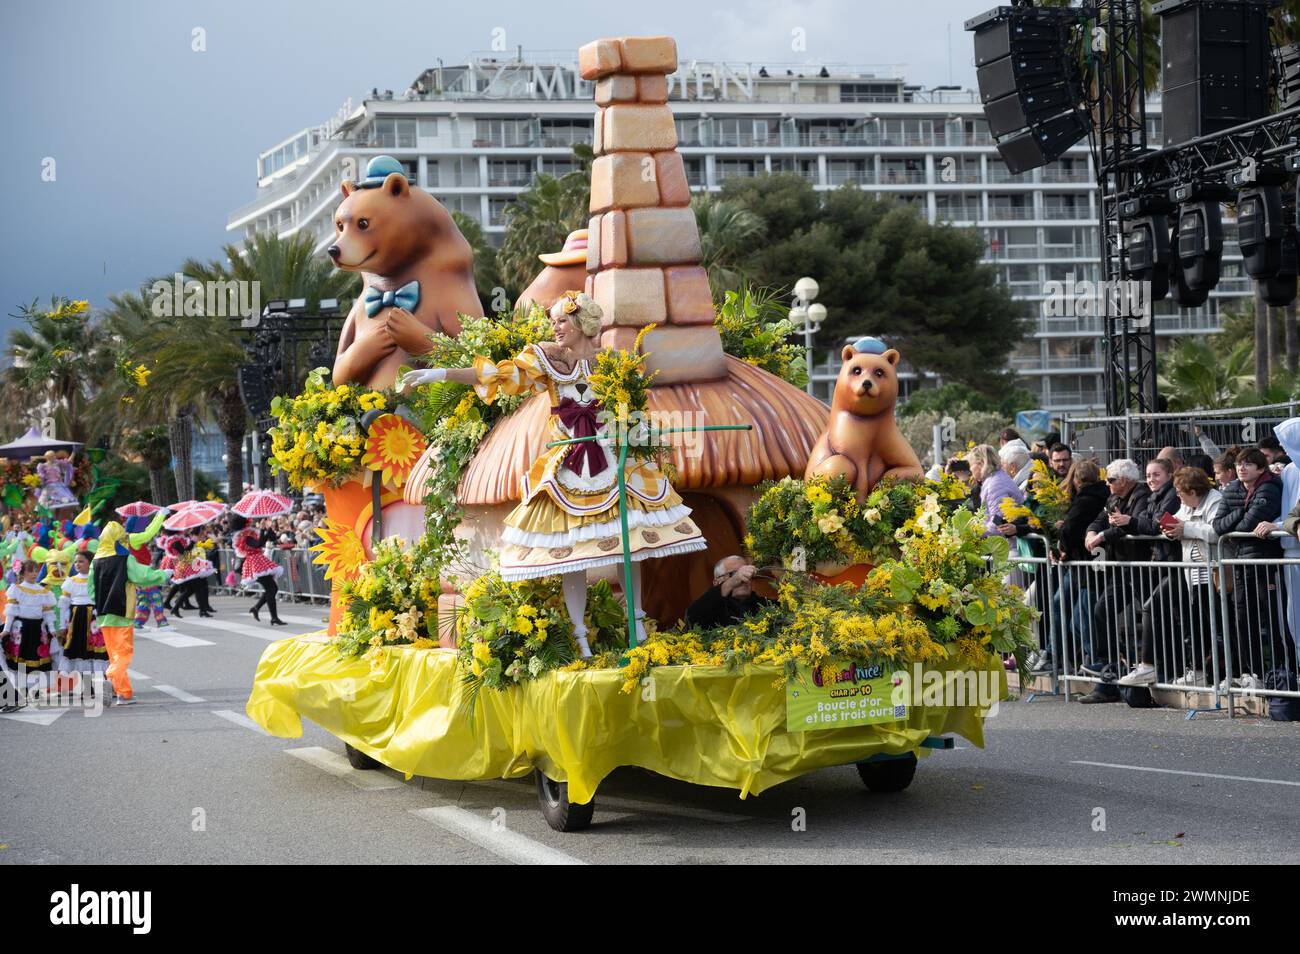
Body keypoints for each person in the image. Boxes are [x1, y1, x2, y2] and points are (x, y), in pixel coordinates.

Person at [399, 290, 707, 657]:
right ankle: (580, 639)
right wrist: (438, 373)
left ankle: (637, 626)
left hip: (611, 459)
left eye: (562, 320)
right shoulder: (545, 358)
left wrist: (635, 432)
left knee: (631, 542)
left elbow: (630, 408)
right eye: (553, 321)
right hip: (567, 467)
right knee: (568, 552)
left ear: (581, 323)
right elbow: (498, 376)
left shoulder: (611, 363)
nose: (555, 327)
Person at [1120, 468, 1222, 687]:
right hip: (1188, 569)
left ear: (1193, 491)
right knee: (1188, 620)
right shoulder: (1186, 503)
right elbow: (1178, 521)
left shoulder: (1215, 500)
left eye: (1181, 492)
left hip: (1212, 570)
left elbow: (1215, 531)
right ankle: (1192, 670)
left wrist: (1185, 528)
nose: (1178, 497)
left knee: (1212, 623)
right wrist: (1171, 529)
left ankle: (1223, 673)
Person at [89, 513, 170, 706]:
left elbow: (91, 591)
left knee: (114, 655)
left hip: (103, 615)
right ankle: (110, 676)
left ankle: (123, 693)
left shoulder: (95, 562)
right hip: (122, 613)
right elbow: (143, 576)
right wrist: (163, 574)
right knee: (123, 653)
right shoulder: (125, 560)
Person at [1083, 458, 1151, 669]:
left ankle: (1160, 663)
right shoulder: (1113, 498)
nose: (1107, 483)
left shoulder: (1142, 496)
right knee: (1102, 609)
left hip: (1143, 566)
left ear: (1124, 480)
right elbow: (1100, 518)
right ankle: (1109, 661)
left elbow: (1131, 524)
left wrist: (1102, 536)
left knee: (1154, 613)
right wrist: (1092, 532)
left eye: (1111, 479)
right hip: (1122, 566)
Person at [1049, 459, 1109, 692]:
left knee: (1083, 617)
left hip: (1087, 567)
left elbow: (1069, 529)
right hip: (1087, 565)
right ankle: (1073, 657)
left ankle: (1100, 666)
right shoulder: (1098, 496)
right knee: (1075, 615)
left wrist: (1062, 548)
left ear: (1076, 479)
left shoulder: (1086, 499)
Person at [3, 559, 56, 696]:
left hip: (38, 628)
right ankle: (22, 688)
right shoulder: (16, 589)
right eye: (30, 570)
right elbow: (11, 611)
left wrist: (52, 629)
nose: (34, 574)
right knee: (21, 657)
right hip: (21, 628)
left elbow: (47, 612)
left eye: (36, 570)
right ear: (22, 572)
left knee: (36, 657)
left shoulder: (43, 591)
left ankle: (35, 688)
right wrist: (6, 630)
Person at [57, 550, 107, 690]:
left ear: (90, 563)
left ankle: (102, 684)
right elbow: (64, 605)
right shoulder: (71, 581)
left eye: (81, 561)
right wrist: (62, 625)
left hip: (94, 620)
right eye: (76, 561)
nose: (77, 564)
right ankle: (85, 686)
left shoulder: (97, 579)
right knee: (78, 651)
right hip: (77, 619)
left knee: (96, 651)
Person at [685, 556, 774, 629]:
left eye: (747, 572)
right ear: (717, 582)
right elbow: (692, 616)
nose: (743, 578)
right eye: (734, 573)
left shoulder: (767, 605)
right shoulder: (707, 607)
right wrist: (732, 582)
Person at [233, 518, 285, 625]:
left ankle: (258, 609)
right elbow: (258, 544)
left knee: (271, 589)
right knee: (271, 588)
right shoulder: (245, 536)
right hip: (255, 563)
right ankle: (272, 617)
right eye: (249, 521)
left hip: (260, 561)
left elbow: (271, 539)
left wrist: (269, 529)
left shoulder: (250, 533)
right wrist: (262, 529)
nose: (251, 522)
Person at [969, 444, 1025, 538]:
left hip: (1010, 546)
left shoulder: (995, 484)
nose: (970, 469)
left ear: (981, 464)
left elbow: (998, 523)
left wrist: (972, 532)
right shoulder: (995, 479)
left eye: (971, 464)